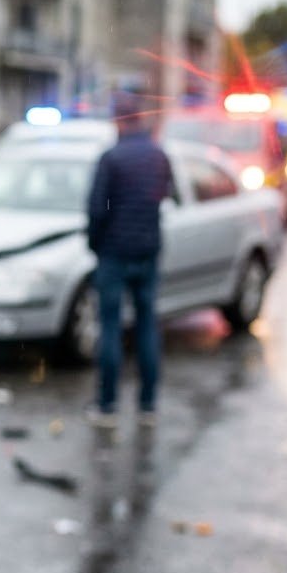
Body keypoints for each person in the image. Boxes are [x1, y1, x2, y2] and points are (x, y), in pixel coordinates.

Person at [85, 88, 175, 427]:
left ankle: (107, 406)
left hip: (114, 253)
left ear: (118, 121)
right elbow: (165, 195)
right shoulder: (158, 156)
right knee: (147, 326)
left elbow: (97, 209)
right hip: (148, 251)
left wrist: (95, 244)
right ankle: (148, 405)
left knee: (110, 327)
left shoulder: (111, 159)